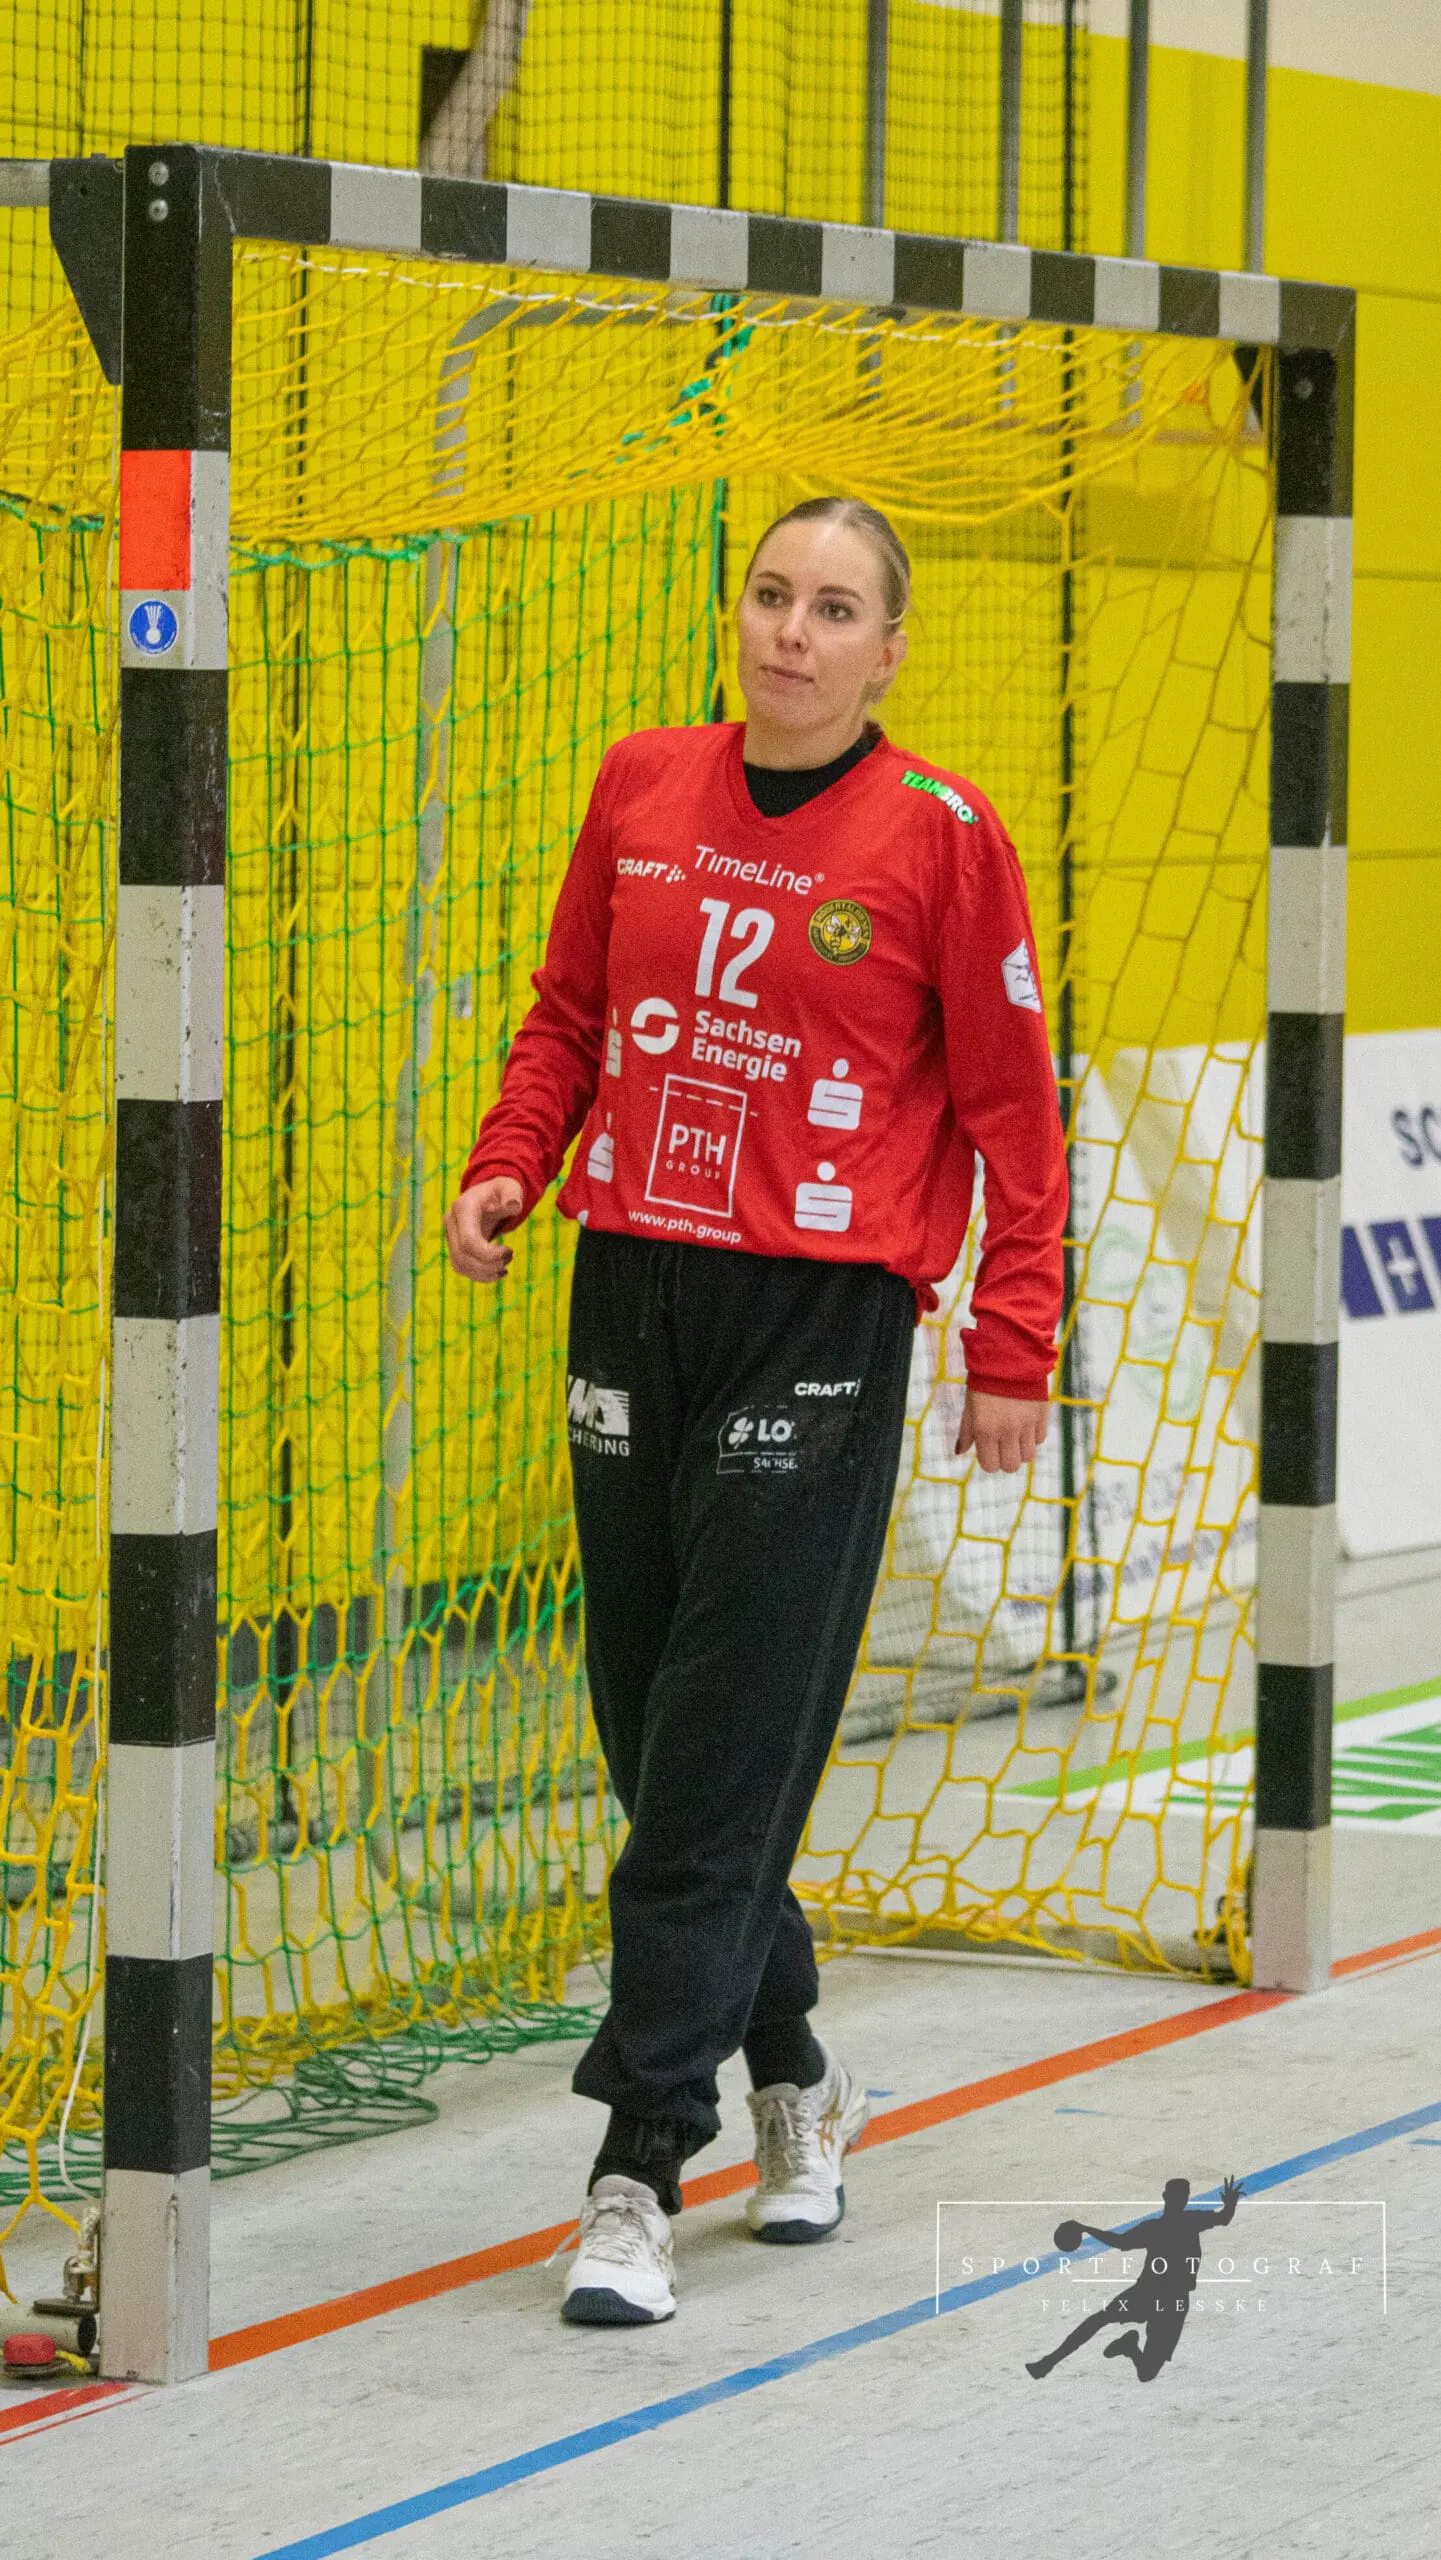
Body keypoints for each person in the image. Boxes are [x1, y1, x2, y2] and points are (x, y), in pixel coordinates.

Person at [445, 496, 1068, 2326]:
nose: (794, 630)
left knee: (719, 1750)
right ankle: (794, 2067)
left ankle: (640, 2160)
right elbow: (569, 1014)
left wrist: (1012, 1341)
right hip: (633, 1286)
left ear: (888, 653)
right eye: (774, 595)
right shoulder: (642, 783)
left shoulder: (945, 835)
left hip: (822, 1312)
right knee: (658, 1743)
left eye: (836, 609)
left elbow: (1014, 1111)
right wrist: (510, 1160)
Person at [1026, 2176, 1244, 2382]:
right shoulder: (1176, 2224)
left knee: (1146, 2373)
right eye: (1179, 2196)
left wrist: (1087, 2229)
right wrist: (1230, 2204)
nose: (1181, 2200)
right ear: (1168, 2197)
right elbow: (1224, 2217)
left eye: (1183, 2196)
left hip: (1171, 2301)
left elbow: (1120, 2241)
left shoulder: (1183, 2222)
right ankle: (1048, 2362)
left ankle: (1129, 2347)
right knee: (1101, 2319)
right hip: (1149, 2293)